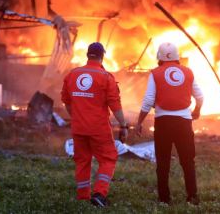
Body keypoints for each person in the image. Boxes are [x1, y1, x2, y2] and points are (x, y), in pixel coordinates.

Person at [134, 42, 204, 204]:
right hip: (184, 123)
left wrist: (139, 123)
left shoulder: (156, 73)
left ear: (159, 57)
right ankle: (192, 197)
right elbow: (200, 97)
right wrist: (196, 111)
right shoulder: (188, 72)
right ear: (177, 56)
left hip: (163, 123)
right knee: (188, 161)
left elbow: (149, 100)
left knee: (163, 162)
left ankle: (165, 199)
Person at [61, 42, 128, 207]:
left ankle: (83, 197)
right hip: (99, 128)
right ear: (102, 56)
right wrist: (124, 125)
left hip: (78, 128)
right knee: (108, 158)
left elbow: (67, 103)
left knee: (82, 161)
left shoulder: (72, 75)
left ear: (87, 55)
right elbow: (115, 105)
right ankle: (99, 194)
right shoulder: (106, 77)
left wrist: (78, 117)